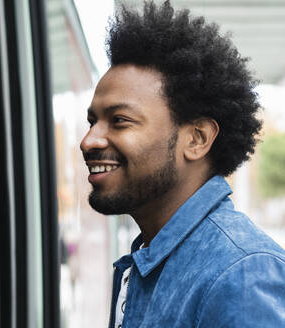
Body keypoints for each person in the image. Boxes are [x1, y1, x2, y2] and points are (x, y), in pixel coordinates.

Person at [79, 1, 285, 327]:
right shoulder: (150, 261)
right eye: (92, 121)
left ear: (197, 139)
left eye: (119, 120)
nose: (89, 141)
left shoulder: (241, 273)